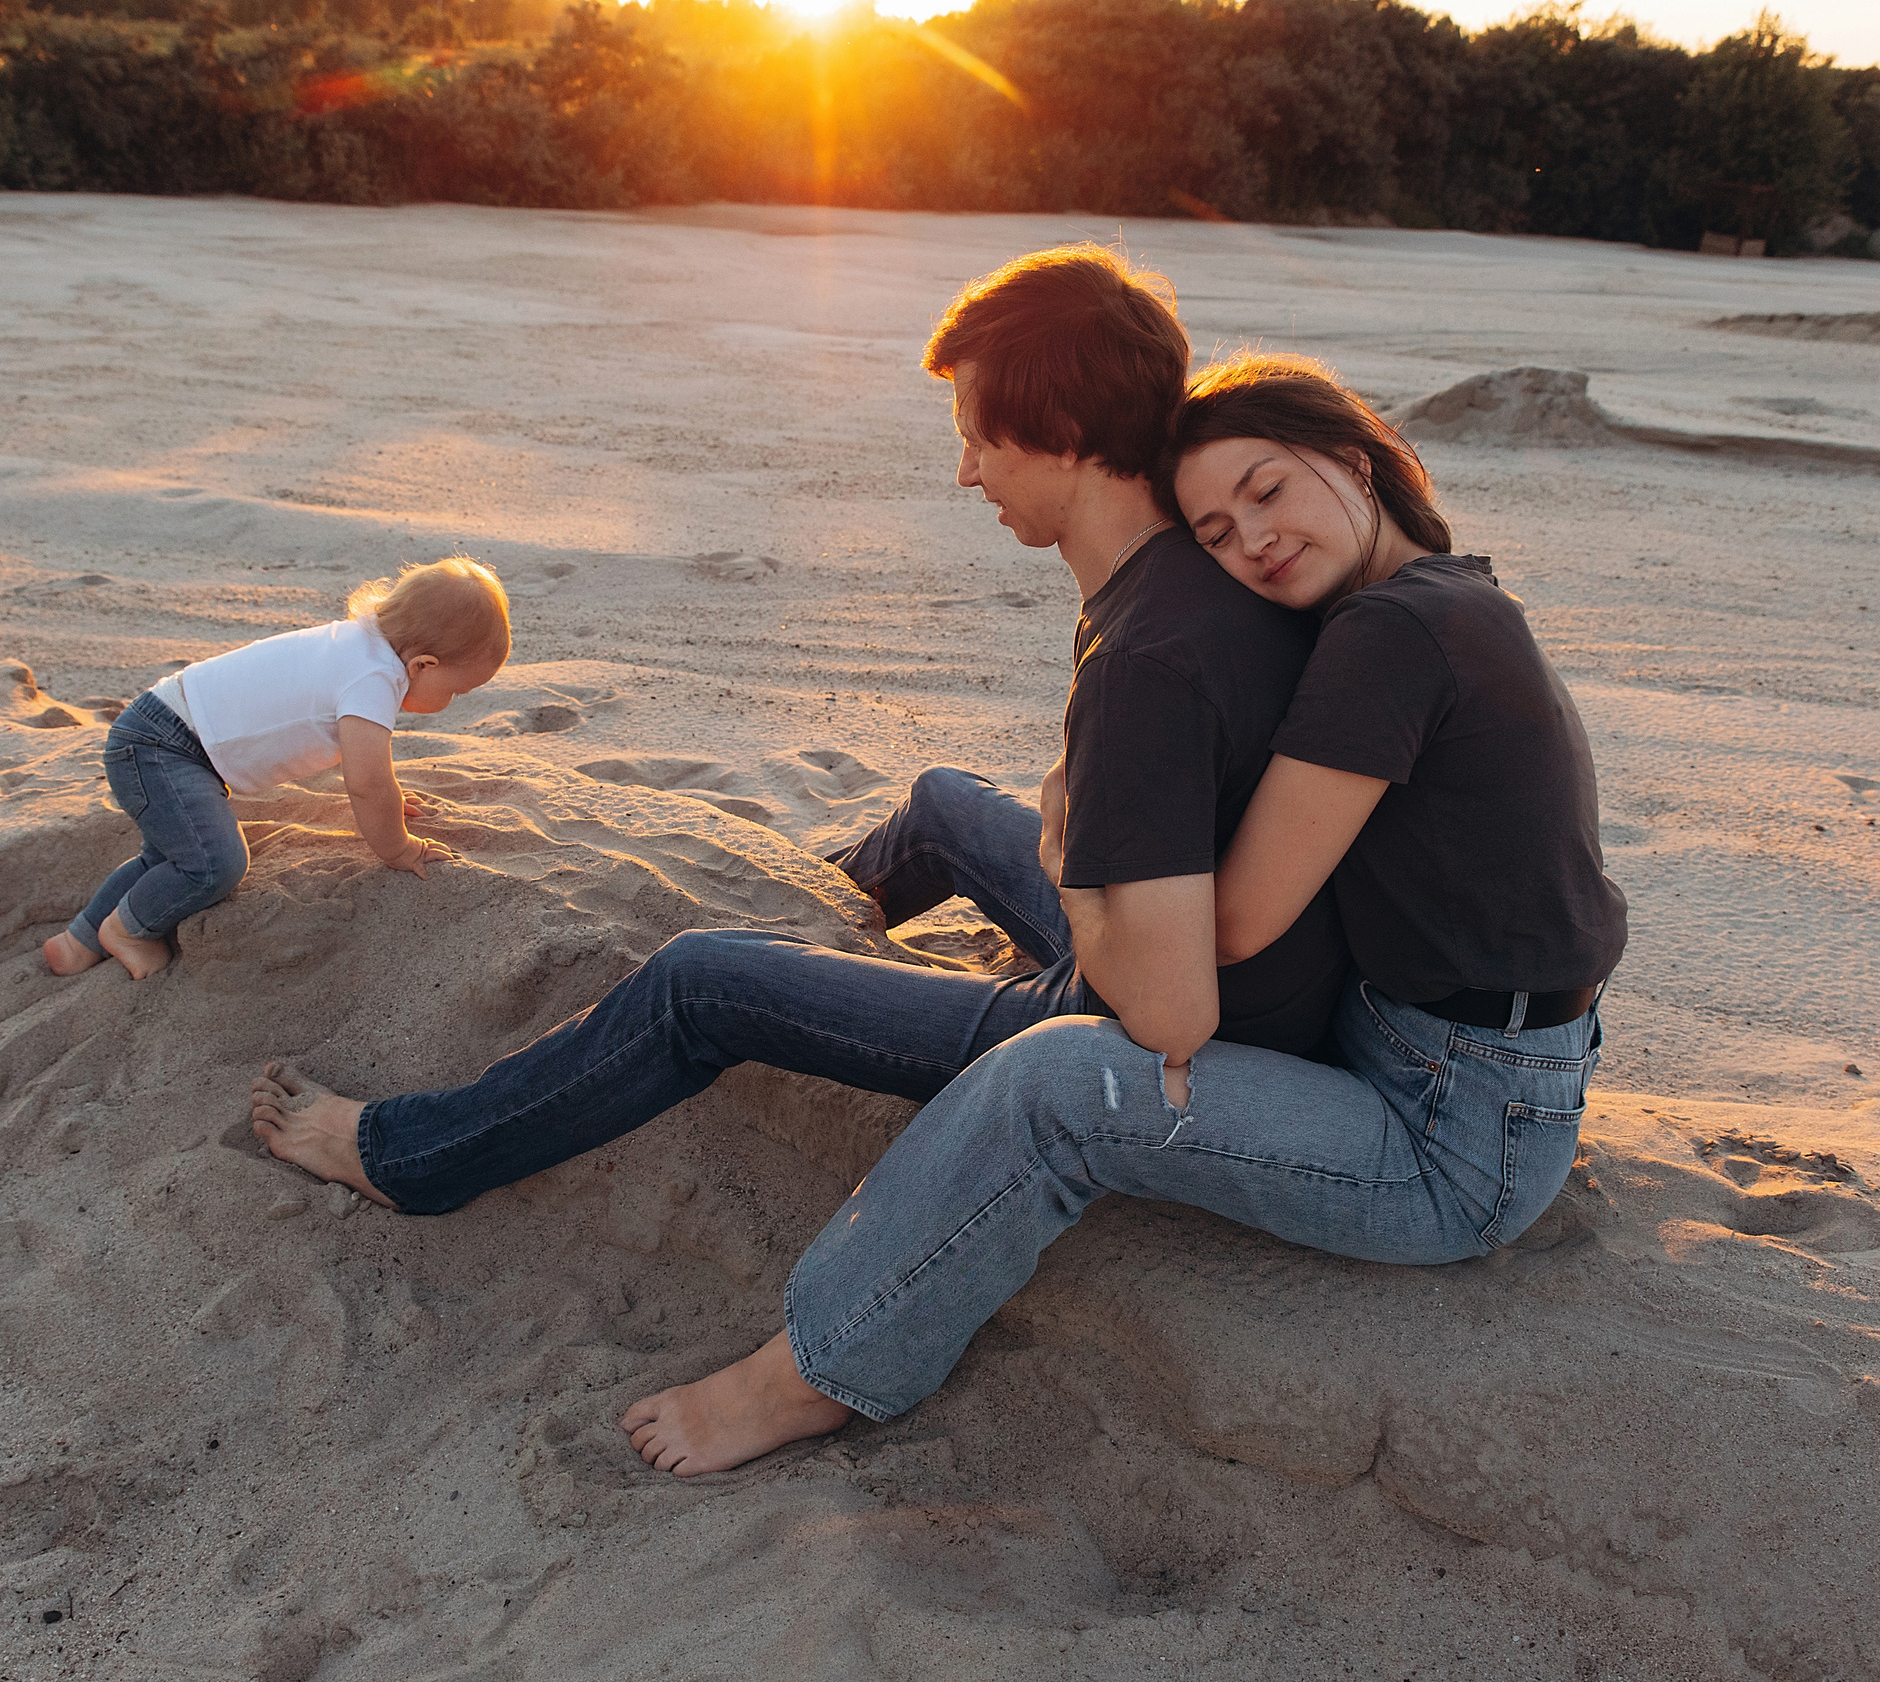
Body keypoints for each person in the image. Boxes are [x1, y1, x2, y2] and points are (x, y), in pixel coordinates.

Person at [244, 245, 1346, 1399]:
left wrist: (1069, 854)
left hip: (1127, 1025)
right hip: (1196, 940)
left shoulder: (1148, 657)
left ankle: (409, 1157)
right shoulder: (1188, 575)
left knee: (699, 985)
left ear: (1063, 429)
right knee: (940, 808)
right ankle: (794, 928)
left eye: (978, 437)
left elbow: (1158, 1013)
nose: (966, 474)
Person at [616, 354, 1626, 1476]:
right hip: (1436, 1044)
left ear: (1351, 459)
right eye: (1214, 531)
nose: (1254, 540)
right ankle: (824, 898)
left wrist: (1070, 854)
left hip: (1450, 1140)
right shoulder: (1447, 594)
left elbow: (1232, 925)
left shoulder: (1390, 636)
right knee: (960, 810)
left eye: (1266, 491)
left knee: (1049, 1086)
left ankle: (813, 1373)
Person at [43, 557, 510, 980]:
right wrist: (399, 848)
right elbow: (366, 782)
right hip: (165, 746)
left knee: (172, 855)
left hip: (161, 729)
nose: (450, 703)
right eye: (456, 691)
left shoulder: (359, 644)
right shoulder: (375, 678)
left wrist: (389, 798)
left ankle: (78, 942)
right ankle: (128, 931)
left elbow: (366, 768)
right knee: (215, 865)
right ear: (423, 664)